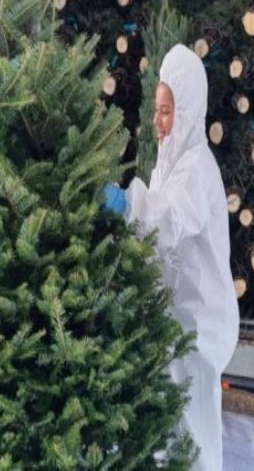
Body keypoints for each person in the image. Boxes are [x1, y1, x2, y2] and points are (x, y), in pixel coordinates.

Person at [103, 44, 240, 470]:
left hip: (198, 325)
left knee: (193, 427)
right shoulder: (171, 162)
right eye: (156, 110)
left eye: (166, 112)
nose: (158, 122)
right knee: (173, 422)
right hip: (178, 318)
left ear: (188, 112)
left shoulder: (197, 168)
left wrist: (125, 204)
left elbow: (167, 221)